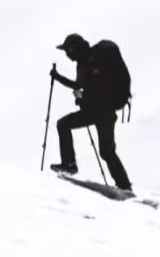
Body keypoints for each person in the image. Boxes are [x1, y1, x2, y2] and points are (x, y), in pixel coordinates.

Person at [50, 32, 131, 191]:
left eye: (67, 51)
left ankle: (69, 164)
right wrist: (81, 97)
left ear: (74, 49)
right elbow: (84, 87)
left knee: (64, 125)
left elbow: (85, 88)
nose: (67, 55)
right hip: (104, 113)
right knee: (107, 152)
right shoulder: (87, 61)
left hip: (99, 112)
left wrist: (59, 79)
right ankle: (125, 186)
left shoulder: (89, 63)